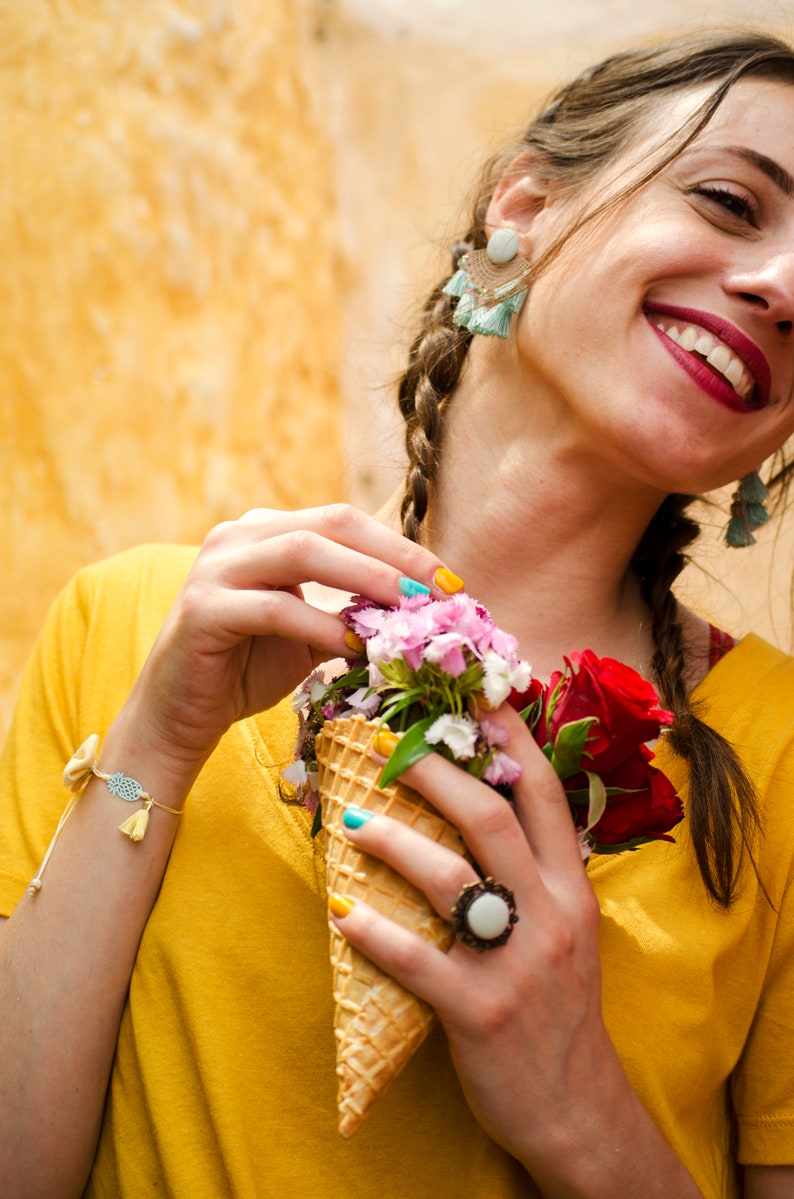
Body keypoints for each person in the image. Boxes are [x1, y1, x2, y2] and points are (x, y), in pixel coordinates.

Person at [2, 27, 794, 1199]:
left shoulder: (774, 746)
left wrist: (580, 1115)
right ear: (521, 202)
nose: (783, 286)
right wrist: (154, 746)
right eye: (729, 201)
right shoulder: (133, 628)